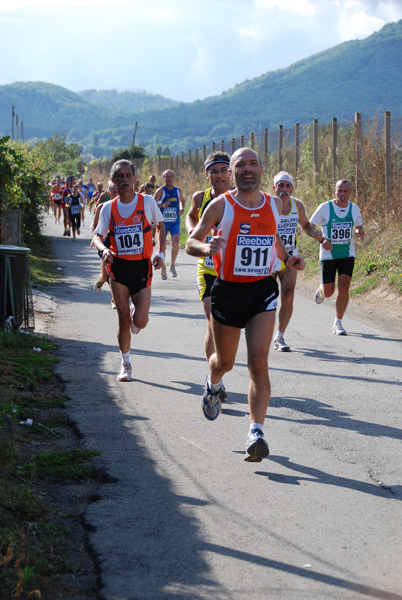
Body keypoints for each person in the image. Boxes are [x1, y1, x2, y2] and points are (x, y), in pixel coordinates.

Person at [186, 148, 305, 462]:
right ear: (231, 173)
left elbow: (275, 243)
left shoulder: (274, 204)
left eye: (253, 163)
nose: (248, 169)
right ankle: (213, 386)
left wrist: (288, 258)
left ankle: (256, 431)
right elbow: (190, 242)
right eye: (241, 165)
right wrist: (206, 247)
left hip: (262, 292)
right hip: (228, 292)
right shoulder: (220, 205)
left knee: (258, 362)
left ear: (262, 169)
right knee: (223, 363)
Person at [92, 159, 165, 381]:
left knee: (139, 321)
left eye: (128, 176)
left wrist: (160, 253)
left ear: (135, 179)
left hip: (142, 267)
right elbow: (96, 236)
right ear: (113, 181)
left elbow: (160, 226)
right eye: (120, 177)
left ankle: (136, 319)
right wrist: (104, 249)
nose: (124, 180)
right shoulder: (108, 208)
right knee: (124, 321)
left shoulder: (148, 202)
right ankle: (125, 364)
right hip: (118, 268)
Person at [186, 151, 232, 401]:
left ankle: (219, 371)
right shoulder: (200, 197)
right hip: (208, 267)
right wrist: (193, 231)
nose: (218, 175)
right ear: (207, 175)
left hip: (234, 270)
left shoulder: (241, 198)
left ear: (230, 172)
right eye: (213, 171)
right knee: (212, 321)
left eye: (223, 170)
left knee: (229, 326)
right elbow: (191, 215)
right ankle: (216, 377)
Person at [271, 171, 324, 351]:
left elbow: (305, 225)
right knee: (267, 299)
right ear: (274, 188)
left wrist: (314, 233)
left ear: (292, 188)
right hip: (269, 258)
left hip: (290, 259)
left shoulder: (297, 205)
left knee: (288, 296)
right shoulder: (268, 205)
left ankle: (280, 337)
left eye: (287, 186)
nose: (284, 190)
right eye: (280, 186)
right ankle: (262, 333)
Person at [310, 179, 364, 335]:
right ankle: (320, 292)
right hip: (328, 254)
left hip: (347, 253)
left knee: (345, 284)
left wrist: (359, 231)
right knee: (328, 292)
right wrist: (321, 240)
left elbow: (358, 227)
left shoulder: (354, 209)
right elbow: (309, 226)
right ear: (335, 191)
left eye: (345, 191)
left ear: (350, 192)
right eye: (339, 191)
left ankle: (338, 322)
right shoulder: (325, 208)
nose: (342, 194)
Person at [154, 170, 185, 279]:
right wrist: (162, 205)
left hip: (174, 221)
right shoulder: (160, 190)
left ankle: (172, 265)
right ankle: (163, 268)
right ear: (163, 178)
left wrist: (182, 209)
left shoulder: (178, 190)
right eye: (166, 177)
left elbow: (182, 201)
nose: (168, 179)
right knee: (162, 247)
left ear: (173, 178)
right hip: (163, 222)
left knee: (176, 243)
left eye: (170, 176)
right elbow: (153, 203)